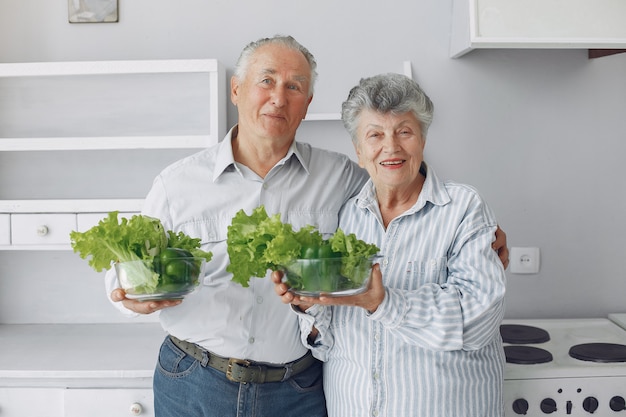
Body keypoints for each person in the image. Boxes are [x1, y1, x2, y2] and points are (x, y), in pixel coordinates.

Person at [104, 36, 509, 417]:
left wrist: (482, 238)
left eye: (294, 86)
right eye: (266, 81)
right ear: (236, 90)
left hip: (295, 389)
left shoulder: (344, 179)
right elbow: (128, 266)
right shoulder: (177, 183)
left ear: (308, 103)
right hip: (195, 378)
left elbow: (402, 182)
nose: (279, 97)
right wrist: (129, 299)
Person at [273, 73, 507, 417]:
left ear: (423, 139)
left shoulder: (463, 208)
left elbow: (478, 320)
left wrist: (384, 302)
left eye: (404, 132)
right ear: (358, 151)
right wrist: (309, 306)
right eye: (375, 135)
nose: (391, 147)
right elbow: (329, 343)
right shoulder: (344, 216)